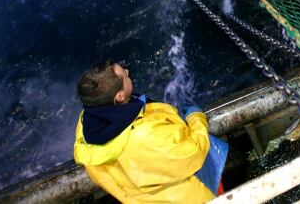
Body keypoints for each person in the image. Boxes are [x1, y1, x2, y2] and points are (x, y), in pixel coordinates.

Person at [73, 61, 217, 203]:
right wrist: (196, 118)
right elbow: (193, 153)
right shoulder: (144, 135)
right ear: (119, 96)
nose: (128, 72)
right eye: (125, 75)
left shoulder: (86, 124)